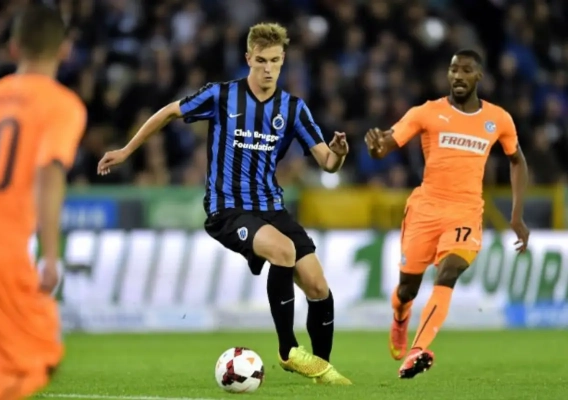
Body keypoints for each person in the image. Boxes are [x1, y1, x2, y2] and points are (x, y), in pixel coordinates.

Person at [98, 22, 351, 385]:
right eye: (261, 61)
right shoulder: (221, 96)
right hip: (227, 209)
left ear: (283, 60)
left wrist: (339, 154)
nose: (268, 69)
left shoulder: (293, 109)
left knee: (318, 286)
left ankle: (321, 369)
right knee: (283, 251)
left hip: (271, 207)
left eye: (275, 61)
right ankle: (288, 350)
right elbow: (168, 112)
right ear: (248, 58)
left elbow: (327, 162)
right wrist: (126, 151)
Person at [365, 49, 530, 379]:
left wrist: (516, 215)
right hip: (425, 209)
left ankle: (417, 350)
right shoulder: (427, 112)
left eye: (465, 70)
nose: (457, 76)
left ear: (478, 76)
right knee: (407, 289)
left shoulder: (498, 119)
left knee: (448, 272)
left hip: (466, 212)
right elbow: (387, 144)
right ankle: (400, 317)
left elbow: (517, 161)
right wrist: (376, 147)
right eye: (453, 70)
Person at [0, 5, 87, 399]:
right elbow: (49, 174)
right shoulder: (61, 105)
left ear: (14, 47)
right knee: (35, 360)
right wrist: (50, 255)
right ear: (65, 49)